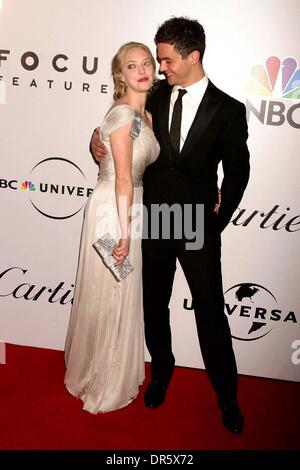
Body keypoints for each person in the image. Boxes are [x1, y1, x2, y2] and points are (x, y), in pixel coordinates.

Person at [91, 17, 250, 432]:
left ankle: (227, 397)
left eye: (165, 59)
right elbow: (119, 123)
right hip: (154, 218)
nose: (159, 67)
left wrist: (219, 219)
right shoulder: (153, 94)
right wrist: (94, 139)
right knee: (154, 307)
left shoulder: (228, 110)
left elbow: (238, 171)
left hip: (198, 223)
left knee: (211, 312)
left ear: (192, 56)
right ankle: (161, 373)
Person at [64, 42, 160, 413]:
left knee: (119, 290)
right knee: (112, 289)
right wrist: (123, 232)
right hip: (114, 212)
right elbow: (122, 179)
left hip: (130, 210)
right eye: (131, 65)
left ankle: (110, 367)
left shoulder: (146, 116)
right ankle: (101, 378)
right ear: (119, 74)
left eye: (147, 63)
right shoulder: (123, 115)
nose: (141, 70)